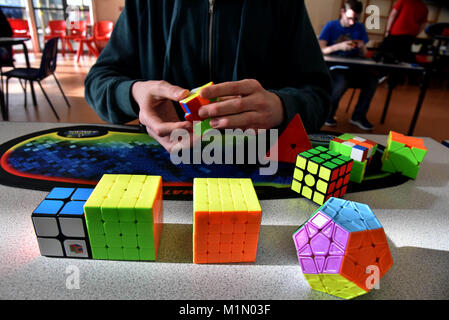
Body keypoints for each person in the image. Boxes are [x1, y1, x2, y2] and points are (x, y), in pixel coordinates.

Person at [85, 0, 331, 152]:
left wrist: (281, 107)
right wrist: (132, 94)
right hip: (164, 161)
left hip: (260, 164)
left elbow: (319, 94)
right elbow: (98, 82)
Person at [319, 0, 377, 131]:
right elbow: (322, 49)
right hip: (336, 67)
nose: (352, 22)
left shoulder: (360, 27)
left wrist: (362, 46)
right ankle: (329, 113)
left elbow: (365, 53)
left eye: (355, 19)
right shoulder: (331, 26)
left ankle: (358, 116)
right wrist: (339, 46)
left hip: (354, 67)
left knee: (372, 80)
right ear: (342, 12)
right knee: (342, 80)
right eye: (350, 18)